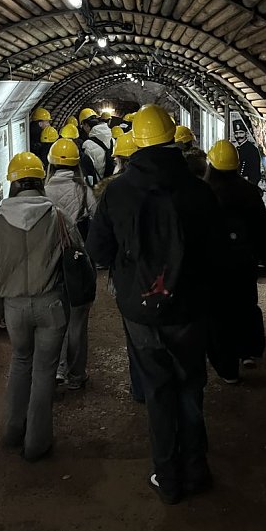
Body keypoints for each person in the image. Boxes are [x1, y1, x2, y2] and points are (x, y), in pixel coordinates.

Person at [87, 105, 229, 505]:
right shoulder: (199, 191)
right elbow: (218, 255)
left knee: (158, 390)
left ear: (136, 144)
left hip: (141, 312)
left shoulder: (116, 191)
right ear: (171, 139)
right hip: (190, 309)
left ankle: (168, 477)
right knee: (190, 387)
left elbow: (98, 250)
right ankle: (196, 469)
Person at [0, 152, 74, 462]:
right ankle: (37, 443)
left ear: (14, 184)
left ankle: (12, 431)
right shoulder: (57, 216)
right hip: (51, 304)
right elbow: (78, 255)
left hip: (15, 308)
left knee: (20, 362)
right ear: (41, 181)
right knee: (45, 371)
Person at [204, 140, 266, 382]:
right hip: (244, 262)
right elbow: (263, 231)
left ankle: (228, 370)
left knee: (218, 314)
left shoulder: (204, 193)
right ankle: (249, 352)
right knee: (246, 305)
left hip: (214, 266)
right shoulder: (249, 192)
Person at [93, 130, 144, 404]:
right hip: (169, 278)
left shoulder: (112, 191)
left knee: (136, 334)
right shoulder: (176, 186)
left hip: (128, 275)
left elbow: (99, 247)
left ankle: (141, 388)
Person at [45, 138, 97, 390]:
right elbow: (96, 218)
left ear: (51, 164)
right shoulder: (83, 189)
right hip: (76, 261)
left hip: (51, 262)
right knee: (77, 320)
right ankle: (77, 374)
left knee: (55, 319)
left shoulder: (43, 192)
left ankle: (56, 369)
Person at [79, 109, 114, 182]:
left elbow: (88, 171)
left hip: (98, 187)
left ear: (86, 124)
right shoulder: (112, 140)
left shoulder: (87, 145)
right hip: (112, 184)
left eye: (83, 126)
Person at [232, 119, 261, 185]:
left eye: (241, 133)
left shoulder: (252, 150)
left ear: (246, 133)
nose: (238, 136)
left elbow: (256, 174)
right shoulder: (238, 148)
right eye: (236, 133)